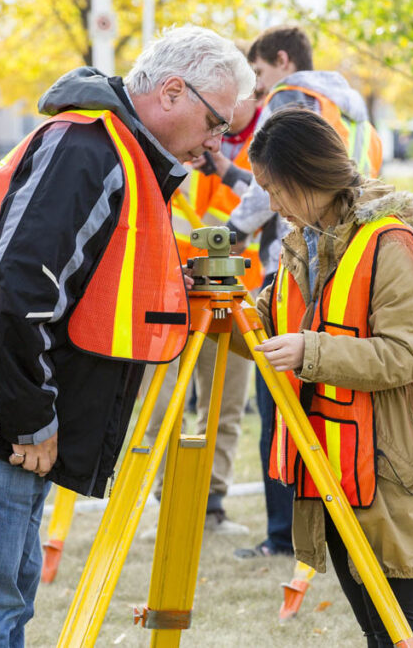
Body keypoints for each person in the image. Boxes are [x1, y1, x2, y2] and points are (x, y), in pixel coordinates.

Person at [0, 25, 255, 646]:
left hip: (9, 411)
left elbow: (85, 281)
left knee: (7, 598)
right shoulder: (88, 149)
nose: (218, 143)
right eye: (218, 122)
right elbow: (15, 290)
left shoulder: (119, 153)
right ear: (172, 92)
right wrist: (30, 418)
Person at [238, 107, 413, 647]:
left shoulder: (390, 243)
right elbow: (271, 328)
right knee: (374, 626)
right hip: (333, 462)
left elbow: (403, 355)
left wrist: (309, 350)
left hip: (388, 466)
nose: (270, 204)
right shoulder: (306, 241)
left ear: (308, 175)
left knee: (395, 626)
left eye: (275, 188)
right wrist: (215, 310)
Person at [229, 24, 384, 559]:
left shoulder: (291, 100)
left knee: (281, 397)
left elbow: (266, 183)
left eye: (258, 75)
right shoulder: (350, 103)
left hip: (304, 253)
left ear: (281, 61)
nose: (256, 91)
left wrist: (230, 233)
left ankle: (283, 534)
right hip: (346, 247)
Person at [140, 90, 263, 536]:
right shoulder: (164, 151)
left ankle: (211, 507)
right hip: (167, 296)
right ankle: (169, 503)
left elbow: (270, 199)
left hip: (228, 295)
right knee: (161, 408)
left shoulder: (250, 157)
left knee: (223, 406)